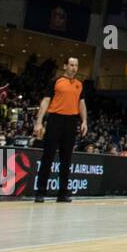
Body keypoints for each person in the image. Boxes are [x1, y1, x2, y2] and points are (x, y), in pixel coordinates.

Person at [33, 56, 88, 203]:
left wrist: (84, 121)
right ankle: (40, 192)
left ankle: (63, 193)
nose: (74, 68)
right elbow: (45, 101)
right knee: (48, 157)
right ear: (65, 66)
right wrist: (39, 121)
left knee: (66, 159)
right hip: (55, 120)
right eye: (71, 65)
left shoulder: (79, 84)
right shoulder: (55, 82)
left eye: (76, 65)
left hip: (71, 122)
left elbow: (81, 104)